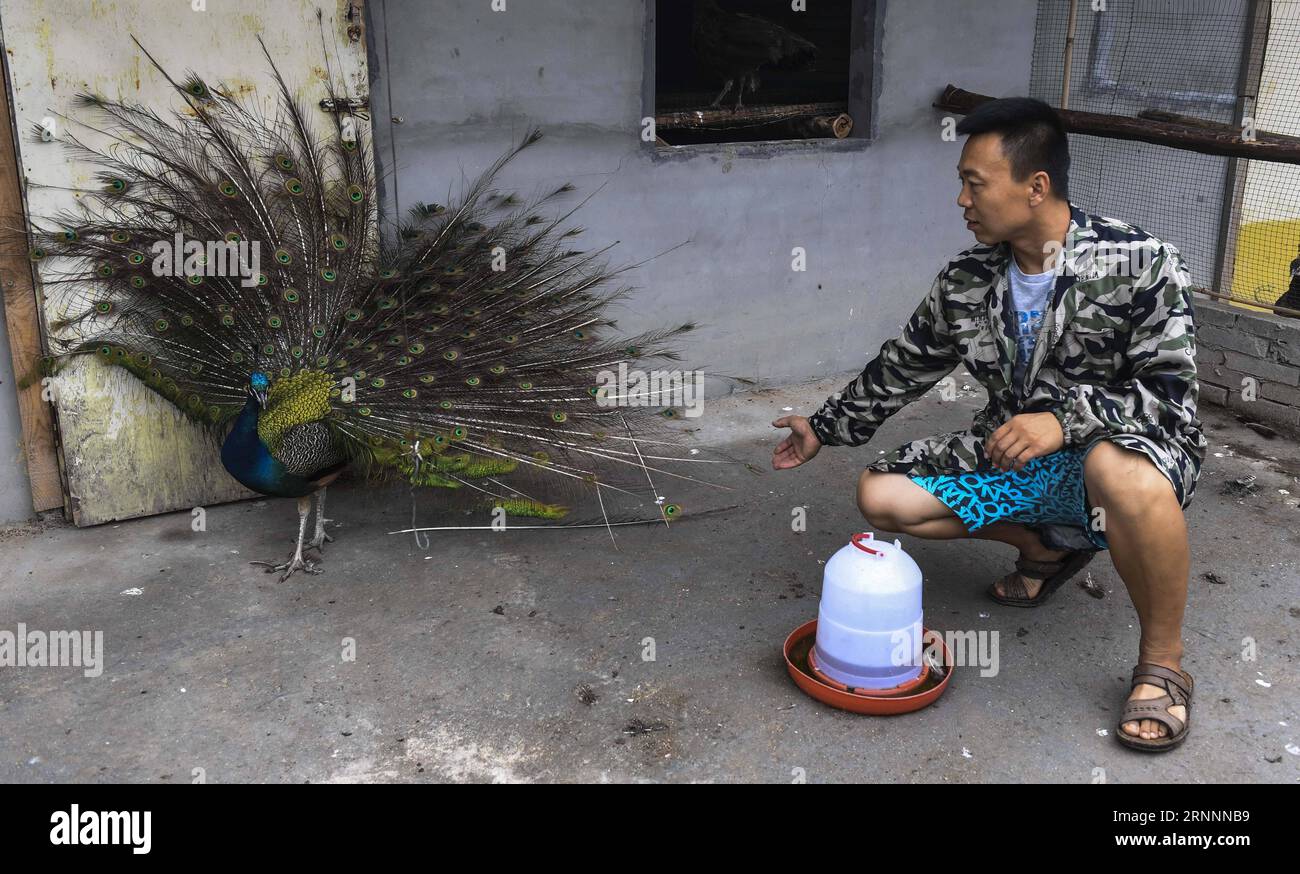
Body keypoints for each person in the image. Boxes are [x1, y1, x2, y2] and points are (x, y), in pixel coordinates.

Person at [771, 97, 1205, 752]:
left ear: (1035, 187)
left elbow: (1170, 397)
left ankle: (1164, 665)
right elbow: (904, 365)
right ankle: (1048, 545)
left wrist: (1064, 420)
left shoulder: (1141, 261)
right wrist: (824, 427)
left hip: (1123, 460)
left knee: (1111, 468)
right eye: (961, 184)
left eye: (974, 183)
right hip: (1013, 455)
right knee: (882, 496)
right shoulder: (969, 279)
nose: (961, 200)